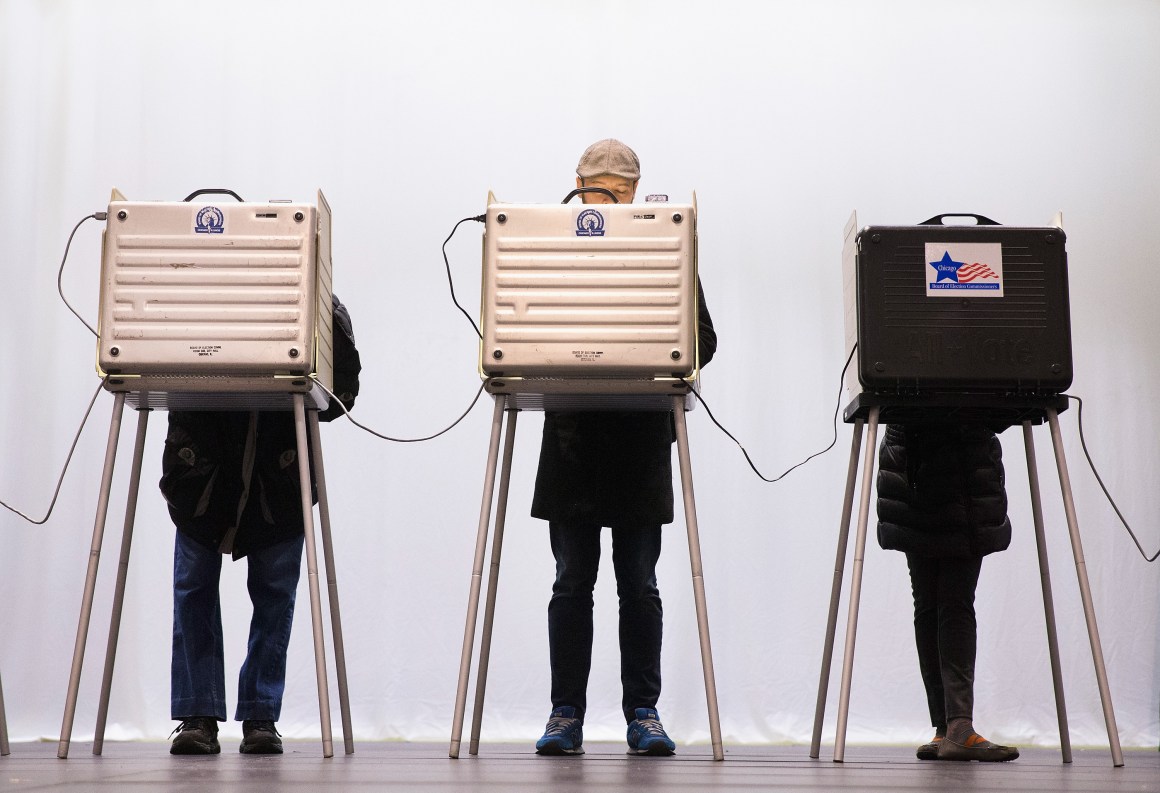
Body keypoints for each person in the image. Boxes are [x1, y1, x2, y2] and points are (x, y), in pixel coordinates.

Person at [531, 139, 717, 757]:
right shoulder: (550, 251)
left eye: (619, 189)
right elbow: (520, 327)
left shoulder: (666, 247)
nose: (606, 200)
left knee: (638, 583)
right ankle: (566, 714)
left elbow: (705, 340)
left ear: (637, 192)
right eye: (596, 188)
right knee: (570, 582)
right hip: (573, 442)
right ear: (576, 187)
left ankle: (643, 711)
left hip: (638, 440)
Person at [162, 296, 360, 755]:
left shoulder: (320, 299)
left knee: (274, 595)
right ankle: (198, 714)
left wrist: (323, 318)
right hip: (202, 472)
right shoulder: (197, 288)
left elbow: (339, 399)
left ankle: (260, 715)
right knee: (193, 588)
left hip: (277, 474)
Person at [876, 422, 1020, 762]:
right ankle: (953, 727)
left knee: (938, 603)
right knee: (946, 603)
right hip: (935, 466)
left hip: (930, 465)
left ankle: (950, 727)